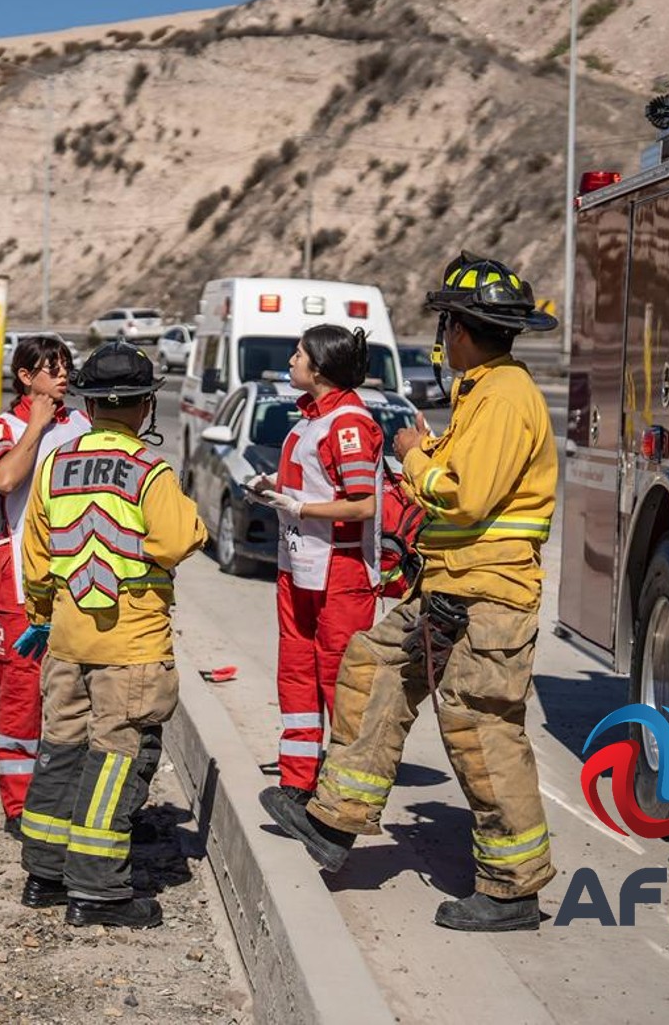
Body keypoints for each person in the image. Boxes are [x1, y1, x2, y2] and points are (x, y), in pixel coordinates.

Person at [259, 252, 560, 934]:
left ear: (461, 327)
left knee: (481, 727)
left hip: (492, 596)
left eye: (445, 322)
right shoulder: (481, 392)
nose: (442, 335)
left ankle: (512, 889)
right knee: (374, 664)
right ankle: (334, 821)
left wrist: (413, 456)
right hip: (451, 586)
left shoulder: (506, 396)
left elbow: (467, 492)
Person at [15, 341, 207, 930]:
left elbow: (37, 558)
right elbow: (178, 539)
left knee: (61, 753)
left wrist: (43, 615)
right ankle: (98, 890)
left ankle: (44, 874)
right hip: (130, 642)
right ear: (148, 405)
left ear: (89, 405)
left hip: (69, 635)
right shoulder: (151, 471)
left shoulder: (55, 464)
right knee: (117, 759)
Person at [244, 325, 383, 811]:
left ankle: (341, 801)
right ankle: (296, 782)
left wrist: (299, 508)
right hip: (299, 565)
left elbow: (363, 505)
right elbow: (311, 481)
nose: (290, 360)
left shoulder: (347, 424)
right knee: (297, 675)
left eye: (298, 353)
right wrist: (271, 487)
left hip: (340, 571)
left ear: (320, 366)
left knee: (339, 684)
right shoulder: (308, 420)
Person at [0, 337, 91, 834]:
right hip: (17, 580)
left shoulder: (83, 425)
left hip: (77, 581)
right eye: (51, 368)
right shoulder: (3, 427)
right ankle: (19, 808)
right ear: (25, 376)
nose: (62, 375)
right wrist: (38, 427)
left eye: (66, 366)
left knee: (75, 693)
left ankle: (68, 798)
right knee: (22, 694)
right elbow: (4, 478)